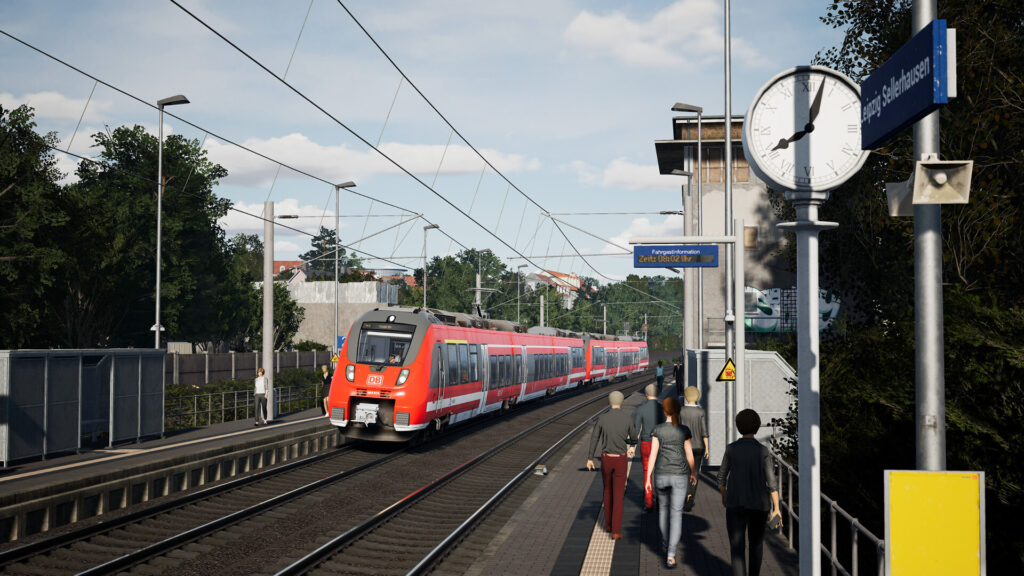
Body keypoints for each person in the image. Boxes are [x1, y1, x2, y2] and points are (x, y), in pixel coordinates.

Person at [717, 409, 782, 576]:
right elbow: (771, 482)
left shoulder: (731, 449)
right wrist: (776, 508)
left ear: (738, 426)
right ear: (757, 426)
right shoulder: (763, 451)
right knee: (756, 544)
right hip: (759, 505)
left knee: (737, 547)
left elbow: (721, 476)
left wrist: (724, 496)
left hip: (735, 504)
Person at [644, 396, 697, 569]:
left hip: (661, 474)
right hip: (680, 475)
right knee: (676, 515)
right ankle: (671, 555)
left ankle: (665, 543)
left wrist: (648, 478)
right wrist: (693, 472)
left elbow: (653, 454)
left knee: (663, 512)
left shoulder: (657, 430)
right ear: (678, 410)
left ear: (664, 411)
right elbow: (689, 455)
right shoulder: (684, 430)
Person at [586, 390, 637, 540]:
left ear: (610, 402)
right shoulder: (627, 419)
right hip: (621, 459)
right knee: (619, 495)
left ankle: (607, 525)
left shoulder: (602, 418)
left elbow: (595, 438)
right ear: (621, 402)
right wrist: (631, 448)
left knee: (607, 490)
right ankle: (615, 530)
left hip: (606, 459)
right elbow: (634, 438)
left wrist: (590, 458)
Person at [633, 383, 664, 511]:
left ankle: (649, 502)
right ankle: (660, 499)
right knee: (660, 471)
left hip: (646, 443)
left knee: (647, 471)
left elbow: (636, 429)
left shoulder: (641, 409)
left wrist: (631, 446)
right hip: (660, 444)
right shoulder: (662, 408)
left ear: (646, 395)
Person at [679, 386, 709, 511]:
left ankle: (683, 496)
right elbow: (704, 432)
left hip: (685, 446)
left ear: (686, 396)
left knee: (683, 472)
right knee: (695, 472)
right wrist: (707, 448)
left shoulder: (681, 411)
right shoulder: (701, 412)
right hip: (699, 447)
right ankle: (690, 498)